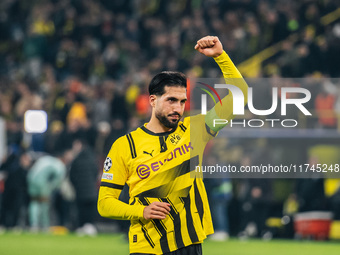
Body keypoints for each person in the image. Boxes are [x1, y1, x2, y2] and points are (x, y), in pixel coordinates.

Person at [97, 36, 248, 254]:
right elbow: (104, 203)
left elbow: (239, 97)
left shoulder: (196, 129)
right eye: (171, 100)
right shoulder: (125, 146)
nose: (178, 108)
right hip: (148, 246)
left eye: (182, 101)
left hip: (189, 242)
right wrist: (140, 211)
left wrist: (221, 57)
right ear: (152, 100)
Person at [27, 148, 73, 232]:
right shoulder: (60, 165)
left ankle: (34, 224)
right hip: (41, 182)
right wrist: (50, 188)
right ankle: (45, 225)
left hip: (31, 179)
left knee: (34, 202)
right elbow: (58, 181)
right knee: (44, 203)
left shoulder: (46, 158)